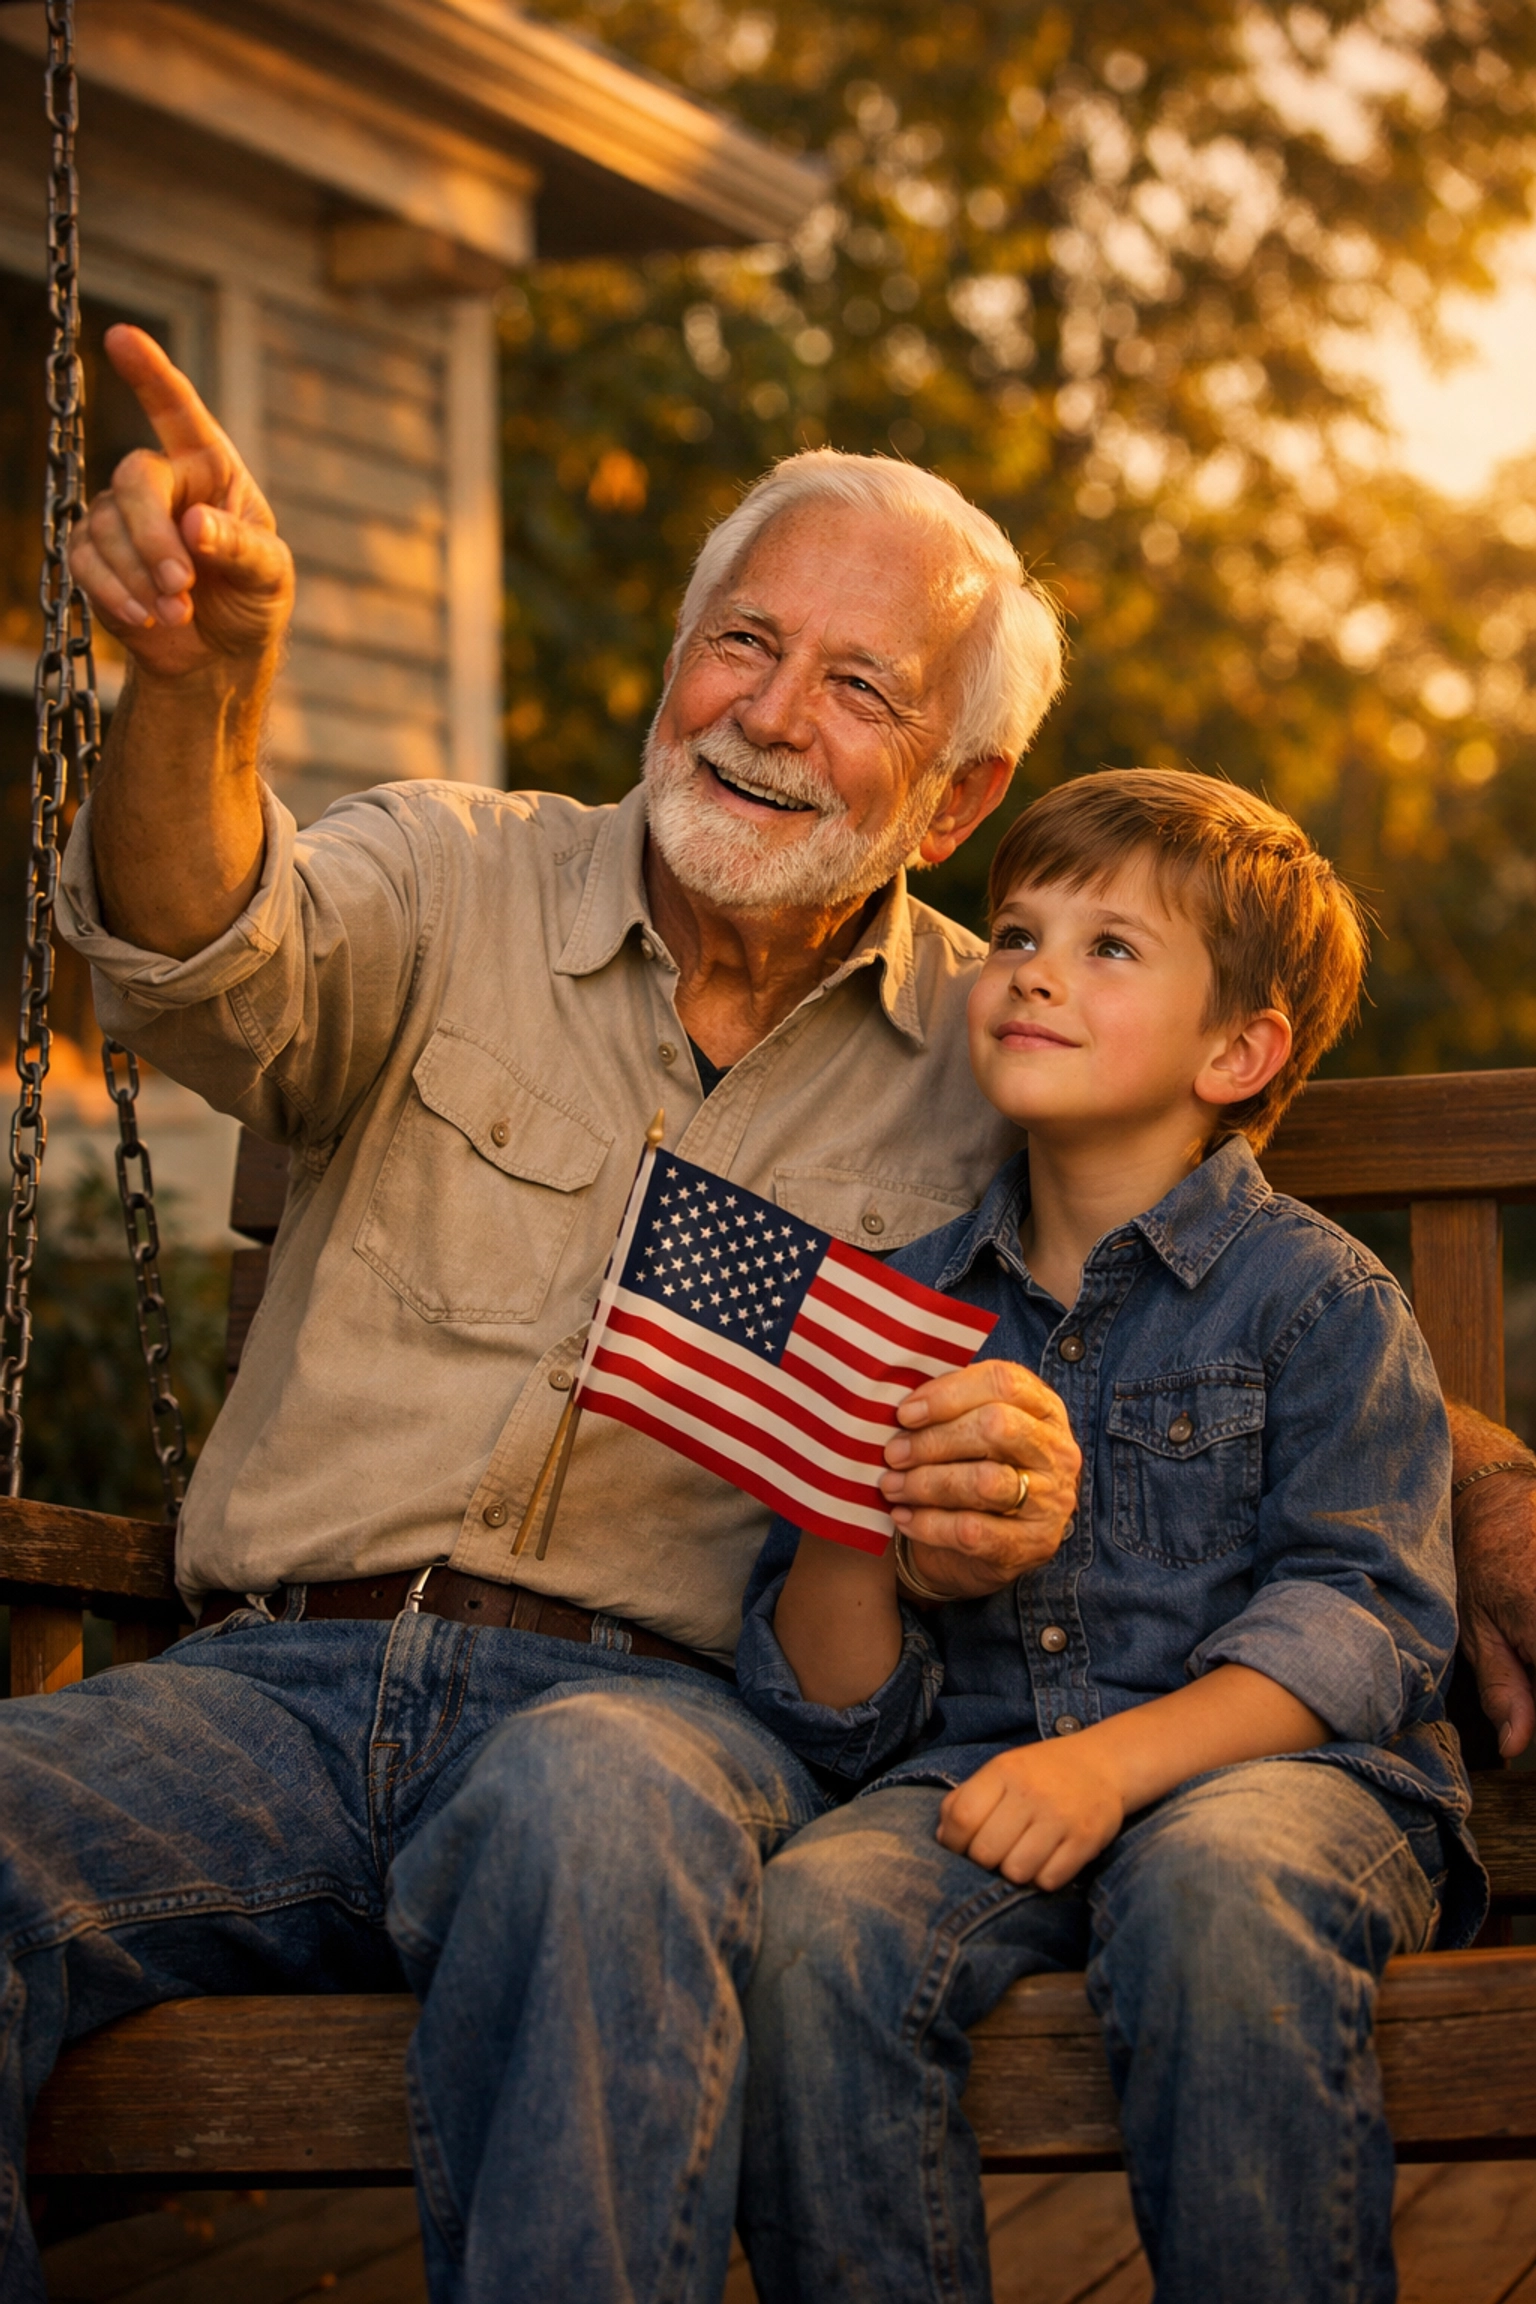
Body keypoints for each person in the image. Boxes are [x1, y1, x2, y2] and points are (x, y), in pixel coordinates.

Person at [1, 327, 1093, 2304]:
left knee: (600, 1817)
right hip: (270, 1698)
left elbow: (1212, 1301)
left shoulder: (1002, 1056)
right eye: (742, 643)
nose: (770, 716)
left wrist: (1478, 1482)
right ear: (675, 663)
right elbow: (188, 959)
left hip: (648, 1723)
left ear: (957, 798)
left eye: (860, 687)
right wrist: (190, 680)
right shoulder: (449, 874)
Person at [735, 771, 1488, 2304]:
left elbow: (1364, 1619)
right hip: (989, 1769)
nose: (1031, 967)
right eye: (1017, 931)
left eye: (1109, 946)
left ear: (1241, 1049)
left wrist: (1109, 1768)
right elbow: (839, 1708)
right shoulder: (909, 1306)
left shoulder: (1317, 1299)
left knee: (1216, 1890)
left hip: (1284, 1785)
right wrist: (849, 1507)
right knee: (812, 1921)